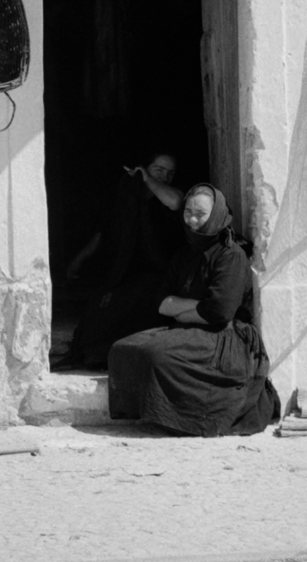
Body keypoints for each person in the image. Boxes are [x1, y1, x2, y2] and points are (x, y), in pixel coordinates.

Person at [106, 183, 280, 436]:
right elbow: (162, 302)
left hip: (223, 338)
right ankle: (157, 413)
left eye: (200, 213)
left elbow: (220, 312)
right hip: (191, 330)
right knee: (123, 349)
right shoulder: (184, 254)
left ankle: (183, 419)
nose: (192, 219)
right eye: (188, 212)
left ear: (218, 214)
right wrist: (195, 309)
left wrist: (180, 309)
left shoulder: (230, 255)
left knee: (155, 354)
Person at [60, 152, 183, 369]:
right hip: (123, 271)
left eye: (170, 173)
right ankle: (93, 356)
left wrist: (147, 177)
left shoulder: (167, 199)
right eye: (159, 170)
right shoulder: (126, 195)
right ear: (145, 167)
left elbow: (175, 202)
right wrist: (77, 261)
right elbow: (102, 234)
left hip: (158, 274)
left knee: (139, 303)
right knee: (101, 305)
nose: (165, 177)